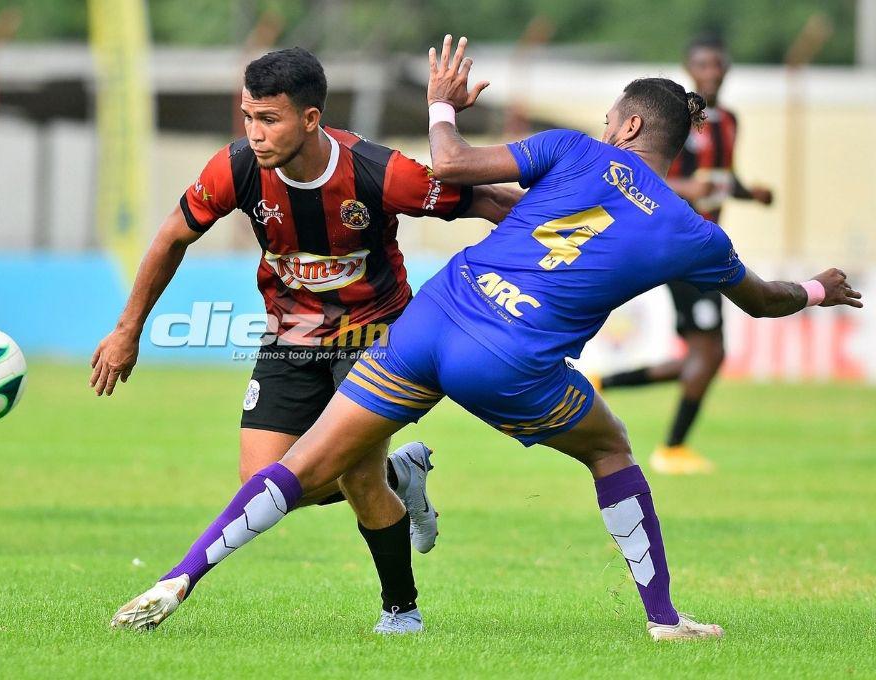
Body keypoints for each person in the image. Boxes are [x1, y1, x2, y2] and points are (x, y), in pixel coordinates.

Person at [107, 36, 861, 640]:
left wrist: (441, 105)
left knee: (303, 466)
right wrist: (823, 288)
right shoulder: (694, 233)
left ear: (627, 125)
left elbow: (457, 165)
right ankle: (664, 619)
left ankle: (183, 575)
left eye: (611, 118)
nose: (605, 126)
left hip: (434, 316)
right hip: (509, 360)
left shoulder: (573, 151)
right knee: (611, 449)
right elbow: (764, 301)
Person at [90, 46, 519, 633]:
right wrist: (126, 330)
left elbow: (491, 202)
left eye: (269, 119)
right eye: (248, 116)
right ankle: (406, 478)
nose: (255, 133)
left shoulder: (378, 172)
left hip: (379, 337)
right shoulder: (236, 168)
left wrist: (577, 230)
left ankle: (401, 613)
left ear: (311, 119)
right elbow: (170, 239)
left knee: (356, 475)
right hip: (290, 335)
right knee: (261, 482)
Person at [596, 34, 774, 475]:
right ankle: (672, 448)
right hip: (679, 242)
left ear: (727, 68)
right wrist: (687, 189)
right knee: (709, 354)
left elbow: (721, 177)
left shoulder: (729, 121)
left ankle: (604, 383)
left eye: (718, 64)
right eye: (704, 65)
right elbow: (639, 175)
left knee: (703, 355)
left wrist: (751, 192)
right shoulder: (675, 121)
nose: (712, 72)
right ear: (690, 69)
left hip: (705, 242)